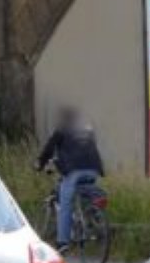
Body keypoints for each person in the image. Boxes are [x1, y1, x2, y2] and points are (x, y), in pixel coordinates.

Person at [35, 107, 105, 251]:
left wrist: (40, 164)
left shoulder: (62, 129)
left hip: (74, 170)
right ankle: (91, 220)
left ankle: (63, 242)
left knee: (65, 204)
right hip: (94, 168)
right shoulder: (87, 129)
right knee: (86, 193)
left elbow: (49, 149)